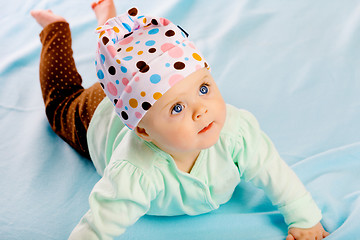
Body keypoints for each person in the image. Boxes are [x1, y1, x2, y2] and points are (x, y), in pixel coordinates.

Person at [31, 1, 330, 239]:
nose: (201, 111)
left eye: (204, 88)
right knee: (60, 102)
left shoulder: (237, 132)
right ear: (145, 132)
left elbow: (273, 170)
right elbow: (97, 226)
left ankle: (109, 30)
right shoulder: (134, 171)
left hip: (135, 88)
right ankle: (56, 28)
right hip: (95, 115)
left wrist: (304, 218)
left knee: (121, 66)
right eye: (177, 108)